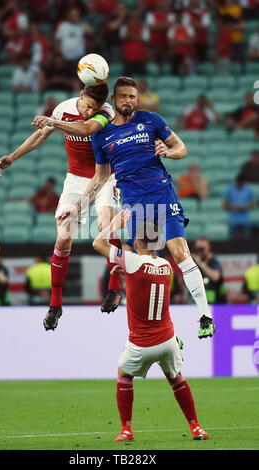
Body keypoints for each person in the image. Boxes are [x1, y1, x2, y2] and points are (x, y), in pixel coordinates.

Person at [60, 76, 216, 339]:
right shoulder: (102, 135)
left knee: (180, 252)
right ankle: (166, 330)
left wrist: (168, 152)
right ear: (114, 99)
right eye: (124, 96)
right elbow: (99, 178)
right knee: (149, 269)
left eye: (133, 96)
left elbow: (181, 148)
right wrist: (77, 207)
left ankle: (205, 316)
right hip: (136, 208)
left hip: (163, 197)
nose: (129, 101)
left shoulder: (151, 120)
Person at [0, 82, 122, 328]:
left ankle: (114, 289)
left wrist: (53, 123)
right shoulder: (64, 109)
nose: (87, 112)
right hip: (75, 179)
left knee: (106, 223)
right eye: (86, 106)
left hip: (105, 176)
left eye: (92, 109)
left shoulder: (105, 112)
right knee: (63, 237)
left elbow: (85, 129)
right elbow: (41, 134)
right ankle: (55, 305)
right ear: (80, 95)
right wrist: (13, 156)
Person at [92, 210, 210, 442]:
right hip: (167, 340)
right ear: (159, 243)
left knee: (124, 376)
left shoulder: (133, 261)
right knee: (176, 379)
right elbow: (145, 275)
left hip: (141, 343)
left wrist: (114, 224)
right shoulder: (166, 265)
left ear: (136, 243)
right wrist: (127, 271)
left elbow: (98, 243)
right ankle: (196, 427)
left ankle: (126, 429)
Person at [192, 237, 226, 304]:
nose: (199, 251)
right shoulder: (193, 262)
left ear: (208, 248)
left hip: (216, 304)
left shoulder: (213, 261)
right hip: (196, 303)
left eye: (202, 249)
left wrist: (201, 264)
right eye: (198, 249)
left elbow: (216, 277)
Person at [223, 173, 256, 240]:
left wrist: (245, 207)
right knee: (232, 240)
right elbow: (224, 205)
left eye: (242, 183)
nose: (240, 185)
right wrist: (233, 207)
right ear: (236, 181)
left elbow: (253, 203)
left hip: (245, 220)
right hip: (233, 219)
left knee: (246, 240)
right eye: (239, 183)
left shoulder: (248, 190)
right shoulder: (230, 189)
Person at [144, 0, 175, 65]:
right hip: (154, 42)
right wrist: (165, 25)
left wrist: (157, 25)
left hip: (167, 42)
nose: (162, 4)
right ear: (156, 4)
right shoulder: (151, 14)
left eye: (164, 2)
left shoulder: (171, 14)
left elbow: (171, 26)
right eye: (160, 2)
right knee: (155, 61)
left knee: (167, 62)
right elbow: (151, 27)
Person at [119, 11, 149, 77]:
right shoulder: (124, 27)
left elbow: (146, 41)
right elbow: (122, 39)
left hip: (141, 58)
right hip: (128, 58)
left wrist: (132, 36)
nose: (133, 20)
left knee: (142, 77)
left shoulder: (143, 27)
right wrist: (135, 36)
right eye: (132, 18)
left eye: (135, 18)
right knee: (127, 79)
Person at [167, 8, 196, 76]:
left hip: (187, 54)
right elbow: (170, 43)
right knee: (175, 71)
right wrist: (184, 41)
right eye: (177, 15)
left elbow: (192, 41)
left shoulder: (188, 27)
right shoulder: (172, 28)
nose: (178, 17)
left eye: (180, 15)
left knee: (189, 72)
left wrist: (177, 41)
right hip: (176, 54)